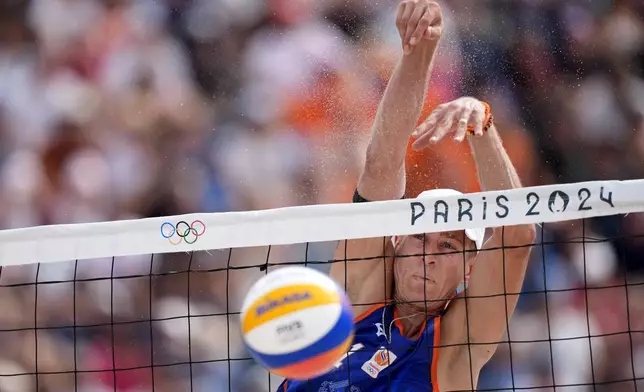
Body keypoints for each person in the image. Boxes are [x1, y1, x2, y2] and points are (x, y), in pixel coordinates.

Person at [279, 1, 536, 391]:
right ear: (397, 244)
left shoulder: (456, 346)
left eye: (449, 246)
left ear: (470, 269)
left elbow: (517, 236)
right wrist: (419, 52)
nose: (428, 256)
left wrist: (481, 125)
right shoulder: (358, 297)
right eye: (420, 238)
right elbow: (382, 163)